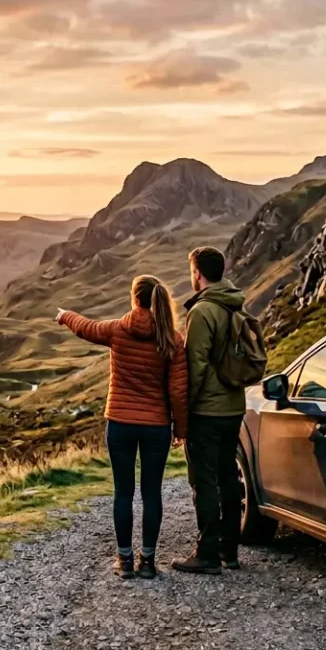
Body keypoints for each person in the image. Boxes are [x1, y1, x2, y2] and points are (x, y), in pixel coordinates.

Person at [56, 276, 189, 579]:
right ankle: (149, 562)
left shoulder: (117, 329)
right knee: (152, 492)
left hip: (120, 423)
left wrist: (64, 315)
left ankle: (125, 561)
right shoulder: (173, 339)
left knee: (123, 492)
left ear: (134, 298)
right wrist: (180, 429)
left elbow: (84, 327)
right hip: (156, 426)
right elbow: (179, 392)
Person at [173, 247, 248, 575]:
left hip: (208, 411)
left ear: (198, 274)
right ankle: (229, 551)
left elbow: (196, 367)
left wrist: (183, 414)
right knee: (228, 477)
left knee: (204, 481)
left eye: (192, 271)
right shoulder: (235, 304)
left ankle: (207, 553)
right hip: (234, 407)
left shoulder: (203, 311)